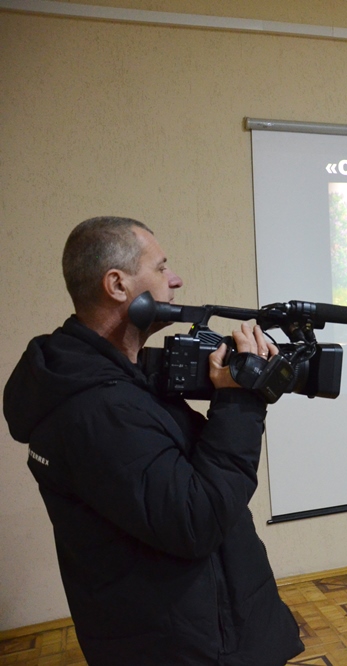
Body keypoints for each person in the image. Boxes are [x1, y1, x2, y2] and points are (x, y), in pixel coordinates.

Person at [3, 217, 304, 665]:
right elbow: (195, 520)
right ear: (117, 285)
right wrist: (240, 404)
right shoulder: (99, 409)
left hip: (197, 626)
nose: (175, 279)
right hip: (187, 645)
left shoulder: (113, 378)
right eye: (161, 268)